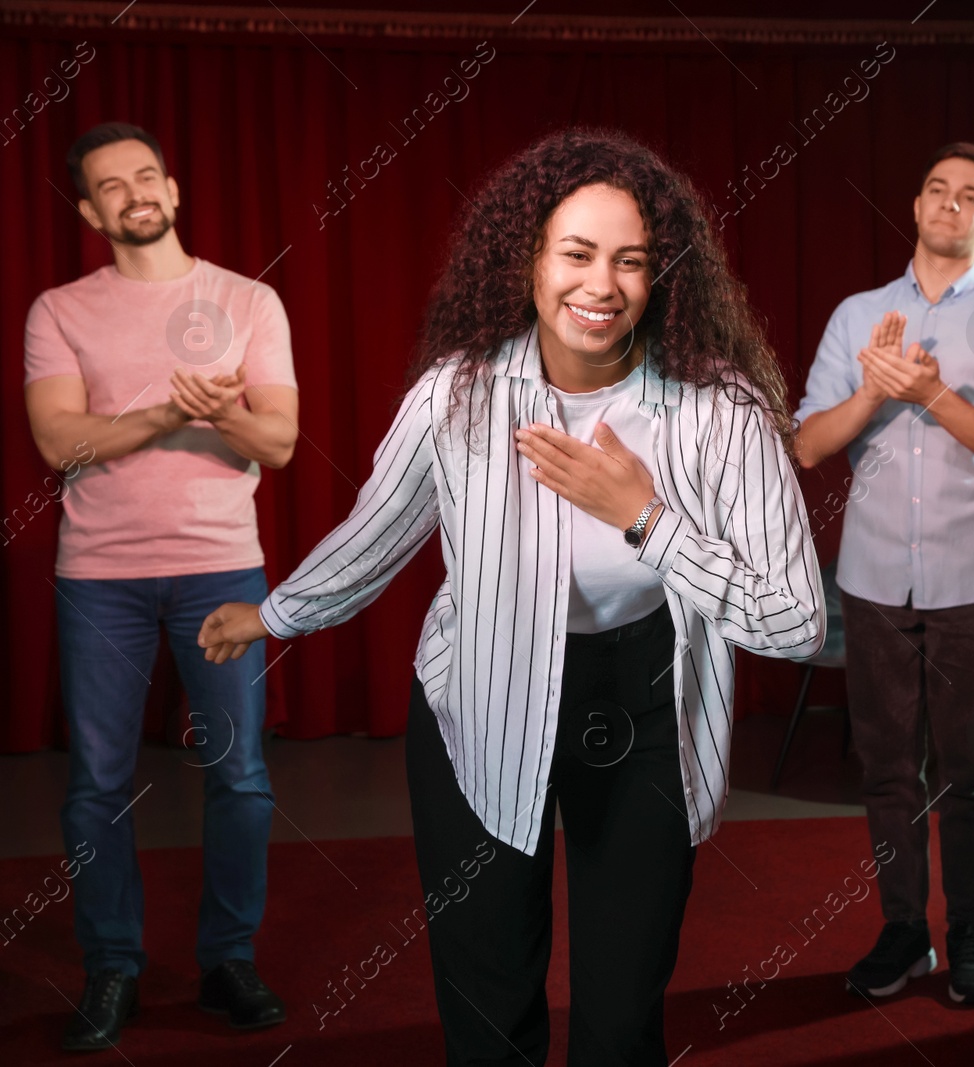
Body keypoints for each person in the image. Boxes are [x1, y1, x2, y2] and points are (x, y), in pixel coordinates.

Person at [198, 127, 823, 1066]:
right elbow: (377, 533)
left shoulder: (721, 410)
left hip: (651, 707)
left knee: (622, 1013)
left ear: (664, 279)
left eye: (631, 262)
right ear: (528, 260)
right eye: (576, 253)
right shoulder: (459, 395)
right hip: (478, 700)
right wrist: (275, 613)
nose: (600, 285)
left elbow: (796, 620)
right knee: (487, 1005)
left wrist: (646, 517)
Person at [22, 122, 300, 1051]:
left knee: (241, 774)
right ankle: (113, 967)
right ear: (89, 210)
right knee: (97, 783)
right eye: (111, 185)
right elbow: (61, 443)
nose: (133, 193)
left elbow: (279, 441)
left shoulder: (248, 300)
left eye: (146, 176)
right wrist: (173, 410)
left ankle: (227, 961)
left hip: (223, 567)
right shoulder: (57, 310)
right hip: (100, 577)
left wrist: (220, 415)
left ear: (173, 191)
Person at [794, 142, 974, 1005]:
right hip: (871, 577)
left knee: (973, 771)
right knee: (886, 766)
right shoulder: (858, 313)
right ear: (915, 205)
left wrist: (935, 394)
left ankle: (970, 933)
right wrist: (874, 392)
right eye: (936, 189)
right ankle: (904, 931)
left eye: (968, 195)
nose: (949, 204)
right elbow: (807, 443)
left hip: (973, 574)